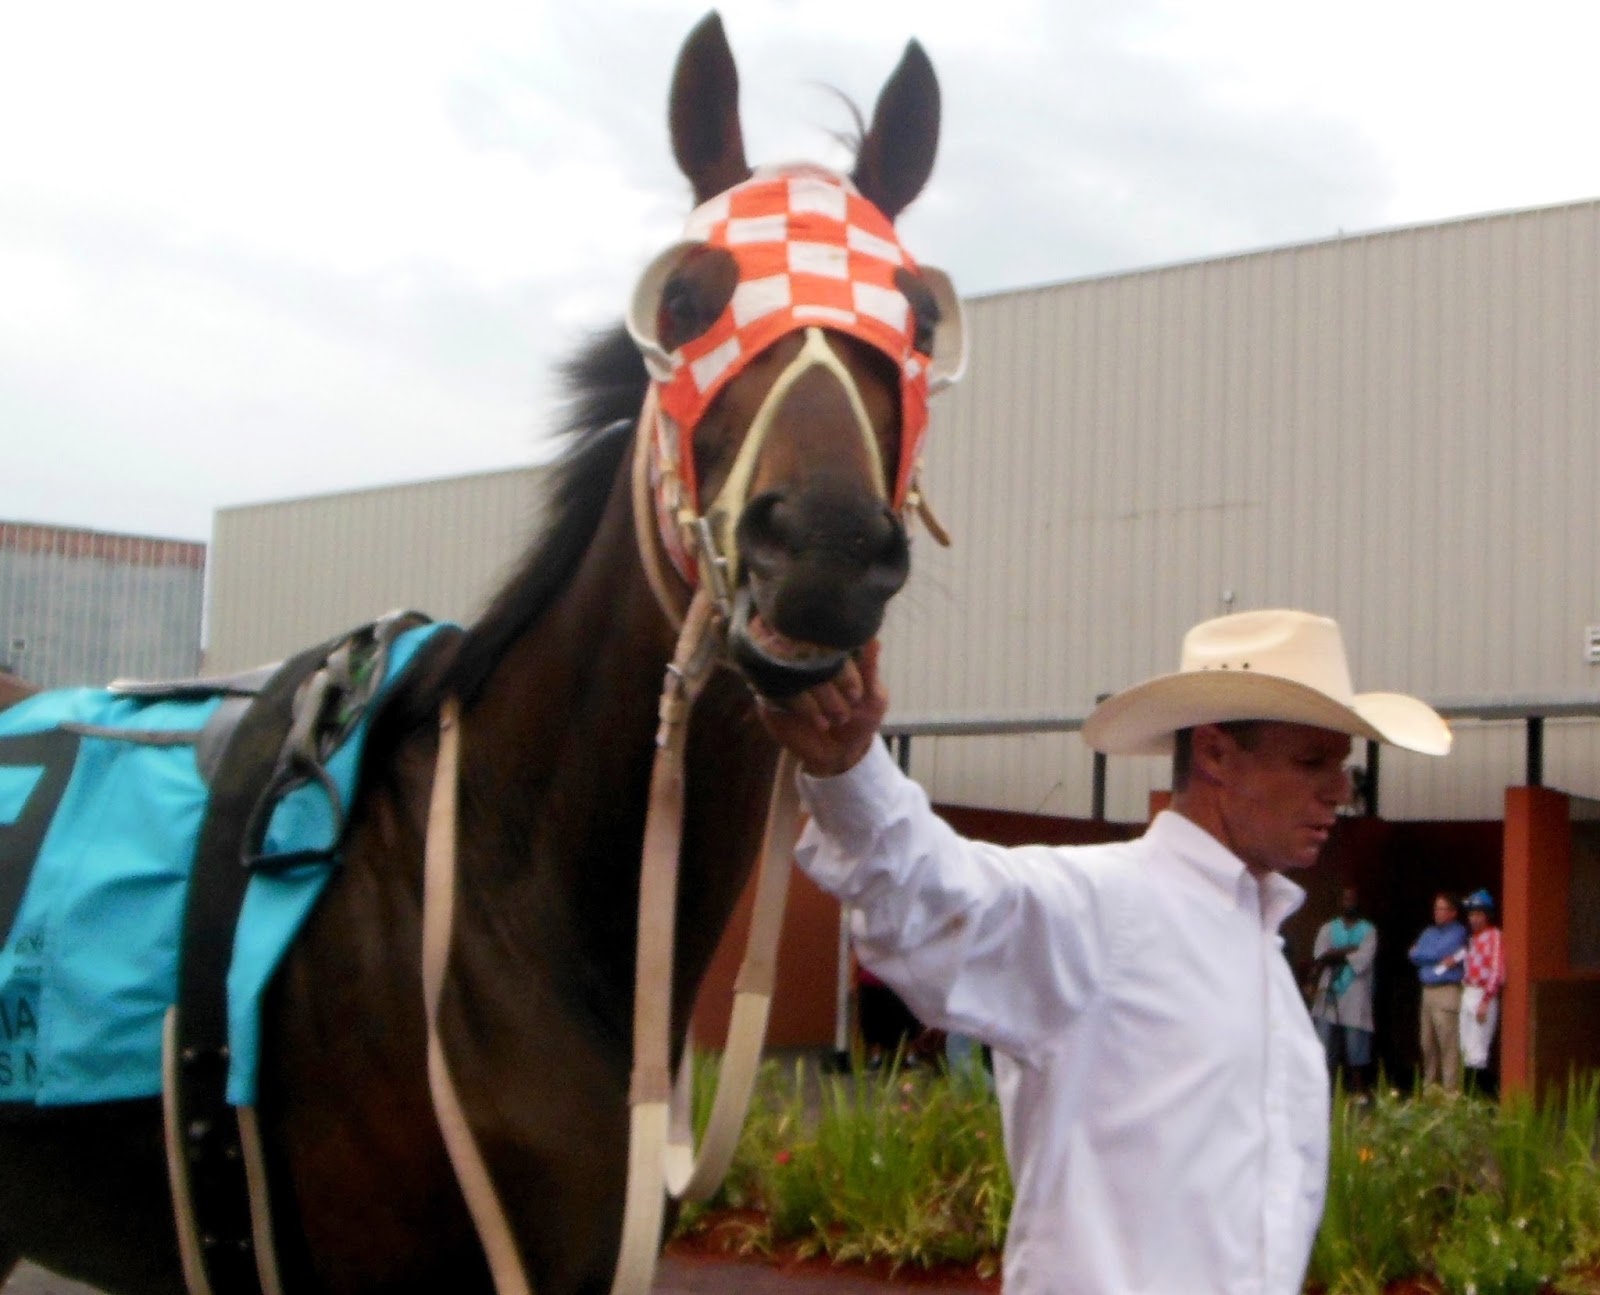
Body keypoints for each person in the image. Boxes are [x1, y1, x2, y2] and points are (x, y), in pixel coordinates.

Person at [757, 608, 1451, 1294]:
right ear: (1213, 753)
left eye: (1341, 764)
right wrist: (850, 766)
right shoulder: (1102, 909)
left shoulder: (1258, 945)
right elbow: (938, 895)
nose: (1340, 789)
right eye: (1312, 761)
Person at [1310, 885, 1378, 1093]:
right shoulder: (1328, 928)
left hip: (1355, 989)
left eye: (1353, 899)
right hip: (1329, 987)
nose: (1350, 903)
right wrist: (1348, 950)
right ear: (1340, 902)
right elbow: (1321, 956)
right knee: (1324, 1038)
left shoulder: (1369, 931)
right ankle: (1323, 1087)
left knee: (1355, 1038)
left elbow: (1363, 960)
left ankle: (1357, 1087)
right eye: (1346, 899)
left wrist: (1334, 954)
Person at [1408, 892, 1468, 1091]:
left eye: (1441, 909)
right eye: (1435, 908)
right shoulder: (1428, 932)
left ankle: (1451, 1093)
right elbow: (1413, 955)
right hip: (1427, 991)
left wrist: (1422, 953)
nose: (1437, 912)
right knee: (1427, 1043)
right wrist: (1424, 955)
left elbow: (1438, 952)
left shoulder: (1458, 932)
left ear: (1452, 912)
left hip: (1446, 991)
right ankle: (1431, 1091)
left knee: (1448, 1044)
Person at [1459, 888, 1505, 1090]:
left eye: (1478, 914)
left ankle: (1480, 1096)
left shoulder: (1494, 936)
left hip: (1482, 994)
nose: (1474, 919)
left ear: (1487, 915)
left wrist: (1486, 1000)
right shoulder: (1471, 939)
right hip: (1468, 991)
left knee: (1478, 1051)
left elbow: (1497, 970)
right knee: (1466, 1048)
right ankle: (1469, 1098)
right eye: (1471, 914)